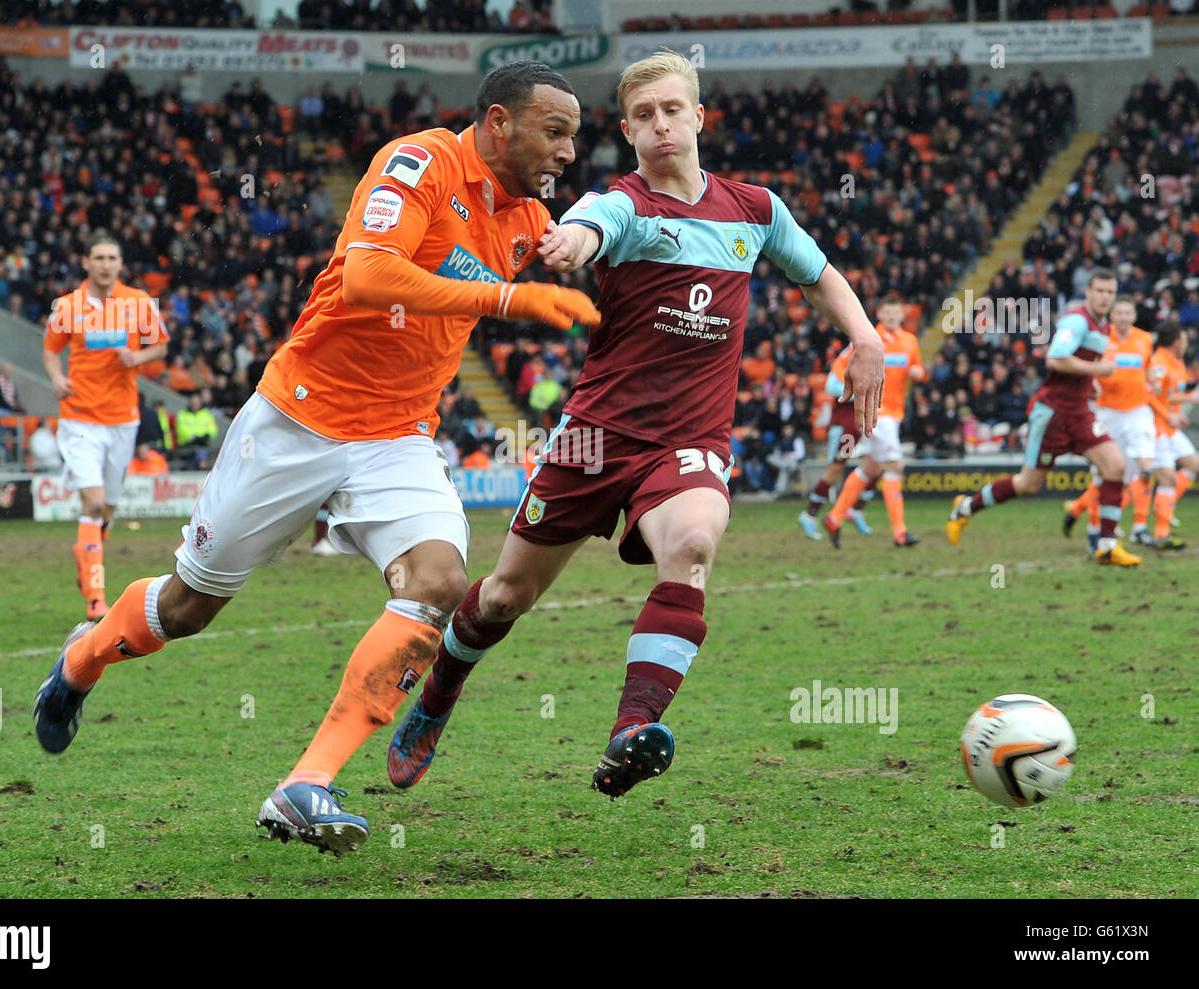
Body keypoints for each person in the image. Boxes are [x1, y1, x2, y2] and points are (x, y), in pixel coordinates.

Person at [32, 61, 600, 857]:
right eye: (556, 131)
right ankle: (82, 657)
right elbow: (369, 277)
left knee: (438, 582)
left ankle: (304, 784)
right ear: (499, 122)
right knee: (190, 608)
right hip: (297, 418)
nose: (570, 151)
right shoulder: (423, 162)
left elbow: (575, 234)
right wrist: (505, 298)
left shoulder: (525, 215)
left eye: (575, 135)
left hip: (398, 435)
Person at [386, 50, 884, 801]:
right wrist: (574, 242)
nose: (659, 125)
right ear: (627, 129)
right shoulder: (625, 204)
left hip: (690, 441)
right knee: (502, 599)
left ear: (697, 117)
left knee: (691, 543)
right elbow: (593, 222)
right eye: (643, 116)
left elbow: (816, 274)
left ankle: (630, 732)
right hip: (594, 436)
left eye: (672, 110)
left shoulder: (753, 210)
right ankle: (439, 692)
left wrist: (866, 337)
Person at [947, 269, 1142, 567]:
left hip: (1079, 412)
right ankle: (965, 507)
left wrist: (1092, 384)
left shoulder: (1104, 326)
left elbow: (1081, 363)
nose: (1105, 297)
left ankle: (1106, 545)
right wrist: (1096, 372)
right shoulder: (1077, 320)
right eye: (1100, 291)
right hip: (1052, 414)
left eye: (1110, 292)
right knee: (1028, 484)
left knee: (1115, 466)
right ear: (1088, 292)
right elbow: (1055, 358)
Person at [42, 232, 169, 619]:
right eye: (98, 257)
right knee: (94, 503)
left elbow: (161, 347)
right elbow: (50, 351)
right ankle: (96, 600)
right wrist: (56, 379)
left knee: (109, 510)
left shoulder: (139, 303)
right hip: (79, 419)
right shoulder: (68, 306)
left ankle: (87, 550)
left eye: (111, 257)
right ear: (86, 262)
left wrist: (139, 356)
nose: (105, 264)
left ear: (120, 263)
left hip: (123, 420)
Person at [1060, 299, 1167, 550]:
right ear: (1112, 314)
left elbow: (1148, 368)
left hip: (1139, 411)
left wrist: (1154, 380)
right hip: (1107, 412)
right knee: (1105, 475)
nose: (1122, 316)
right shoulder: (1100, 338)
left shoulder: (1144, 339)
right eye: (1118, 312)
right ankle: (1094, 529)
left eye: (1127, 311)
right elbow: (1085, 365)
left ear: (1133, 314)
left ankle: (1140, 527)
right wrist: (1091, 382)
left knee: (1145, 465)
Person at [822, 294, 924, 548]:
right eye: (887, 312)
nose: (891, 317)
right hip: (878, 412)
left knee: (871, 468)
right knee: (895, 466)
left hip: (895, 414)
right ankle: (900, 532)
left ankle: (834, 518)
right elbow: (837, 371)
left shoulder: (909, 341)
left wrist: (917, 373)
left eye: (895, 312)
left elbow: (918, 369)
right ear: (879, 314)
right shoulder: (868, 340)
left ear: (902, 314)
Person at [798, 342, 875, 539]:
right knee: (835, 469)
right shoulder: (852, 353)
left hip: (862, 424)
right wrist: (859, 391)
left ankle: (856, 510)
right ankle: (809, 514)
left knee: (878, 464)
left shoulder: (875, 354)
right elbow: (831, 386)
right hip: (846, 428)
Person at [1147, 323, 1196, 550]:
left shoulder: (1176, 363)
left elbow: (1170, 396)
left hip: (1170, 427)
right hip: (1157, 428)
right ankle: (1161, 533)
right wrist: (1170, 415)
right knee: (1166, 478)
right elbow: (1152, 397)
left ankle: (1164, 515)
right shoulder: (1159, 364)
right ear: (1177, 341)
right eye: (1185, 339)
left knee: (1194, 465)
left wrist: (1186, 400)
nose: (1187, 343)